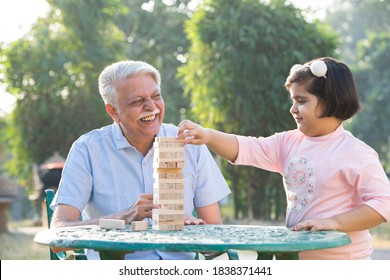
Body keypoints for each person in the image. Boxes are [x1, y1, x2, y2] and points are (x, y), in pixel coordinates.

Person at [177, 57, 390, 260]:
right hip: (295, 261)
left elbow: (384, 204)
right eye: (293, 100)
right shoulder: (289, 143)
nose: (293, 109)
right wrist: (208, 135)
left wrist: (334, 222)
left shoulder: (355, 153)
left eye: (302, 101)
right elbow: (247, 148)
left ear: (330, 101)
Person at [50, 60, 231, 260]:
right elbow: (58, 234)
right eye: (137, 101)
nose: (151, 107)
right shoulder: (87, 150)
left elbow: (215, 244)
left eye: (156, 96)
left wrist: (192, 231)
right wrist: (124, 217)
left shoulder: (189, 144)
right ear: (113, 111)